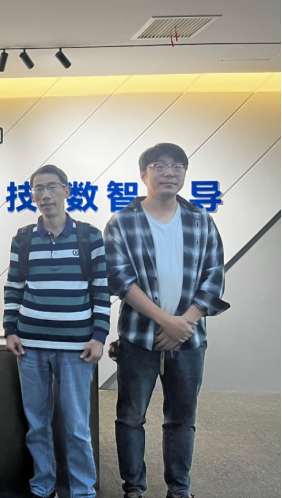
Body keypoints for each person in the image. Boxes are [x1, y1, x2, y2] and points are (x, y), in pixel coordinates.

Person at [104, 143, 230, 498]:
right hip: (138, 337)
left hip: (189, 338)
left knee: (182, 418)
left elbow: (215, 276)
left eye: (177, 166)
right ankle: (133, 488)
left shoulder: (201, 220)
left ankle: (179, 489)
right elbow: (119, 279)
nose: (169, 173)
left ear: (184, 173)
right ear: (143, 174)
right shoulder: (122, 221)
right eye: (159, 166)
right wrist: (166, 321)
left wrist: (183, 324)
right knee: (130, 417)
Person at [3, 164, 111, 498]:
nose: (45, 195)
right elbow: (14, 287)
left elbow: (102, 290)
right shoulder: (23, 238)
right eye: (38, 188)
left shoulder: (89, 235)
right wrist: (10, 330)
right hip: (30, 345)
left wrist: (99, 336)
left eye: (52, 187)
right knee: (37, 424)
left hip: (76, 346)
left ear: (66, 191)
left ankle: (82, 490)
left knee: (77, 425)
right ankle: (43, 485)